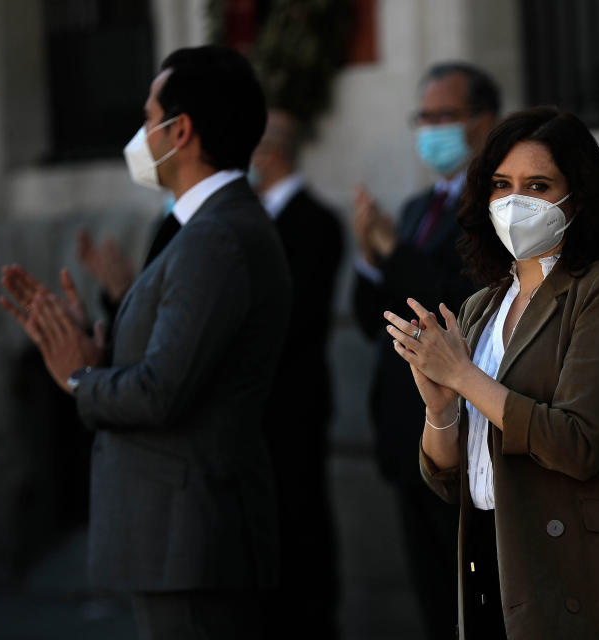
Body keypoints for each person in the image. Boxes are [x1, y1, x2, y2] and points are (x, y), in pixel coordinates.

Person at [0, 45, 291, 639]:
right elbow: (176, 366)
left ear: (179, 130)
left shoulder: (216, 237)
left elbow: (162, 392)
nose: (140, 134)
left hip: (193, 543)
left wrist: (80, 376)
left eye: (148, 115)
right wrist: (97, 348)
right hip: (179, 543)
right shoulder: (205, 229)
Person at [384, 107, 599, 639]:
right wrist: (441, 407)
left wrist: (466, 377)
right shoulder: (480, 307)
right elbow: (451, 478)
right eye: (502, 185)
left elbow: (579, 443)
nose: (515, 202)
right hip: (490, 557)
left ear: (577, 197)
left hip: (576, 573)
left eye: (537, 185)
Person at [351, 61, 499, 639]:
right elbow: (373, 319)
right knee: (433, 598)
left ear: (482, 122)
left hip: (462, 437)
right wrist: (370, 255)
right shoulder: (416, 209)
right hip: (405, 436)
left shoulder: (493, 207)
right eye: (425, 116)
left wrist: (394, 250)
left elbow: (451, 304)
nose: (432, 128)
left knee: (473, 599)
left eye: (446, 115)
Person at [250, 107, 344, 638]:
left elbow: (294, 316)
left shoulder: (314, 222)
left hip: (293, 404)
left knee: (301, 525)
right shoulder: (252, 218)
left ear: (272, 150)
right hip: (255, 409)